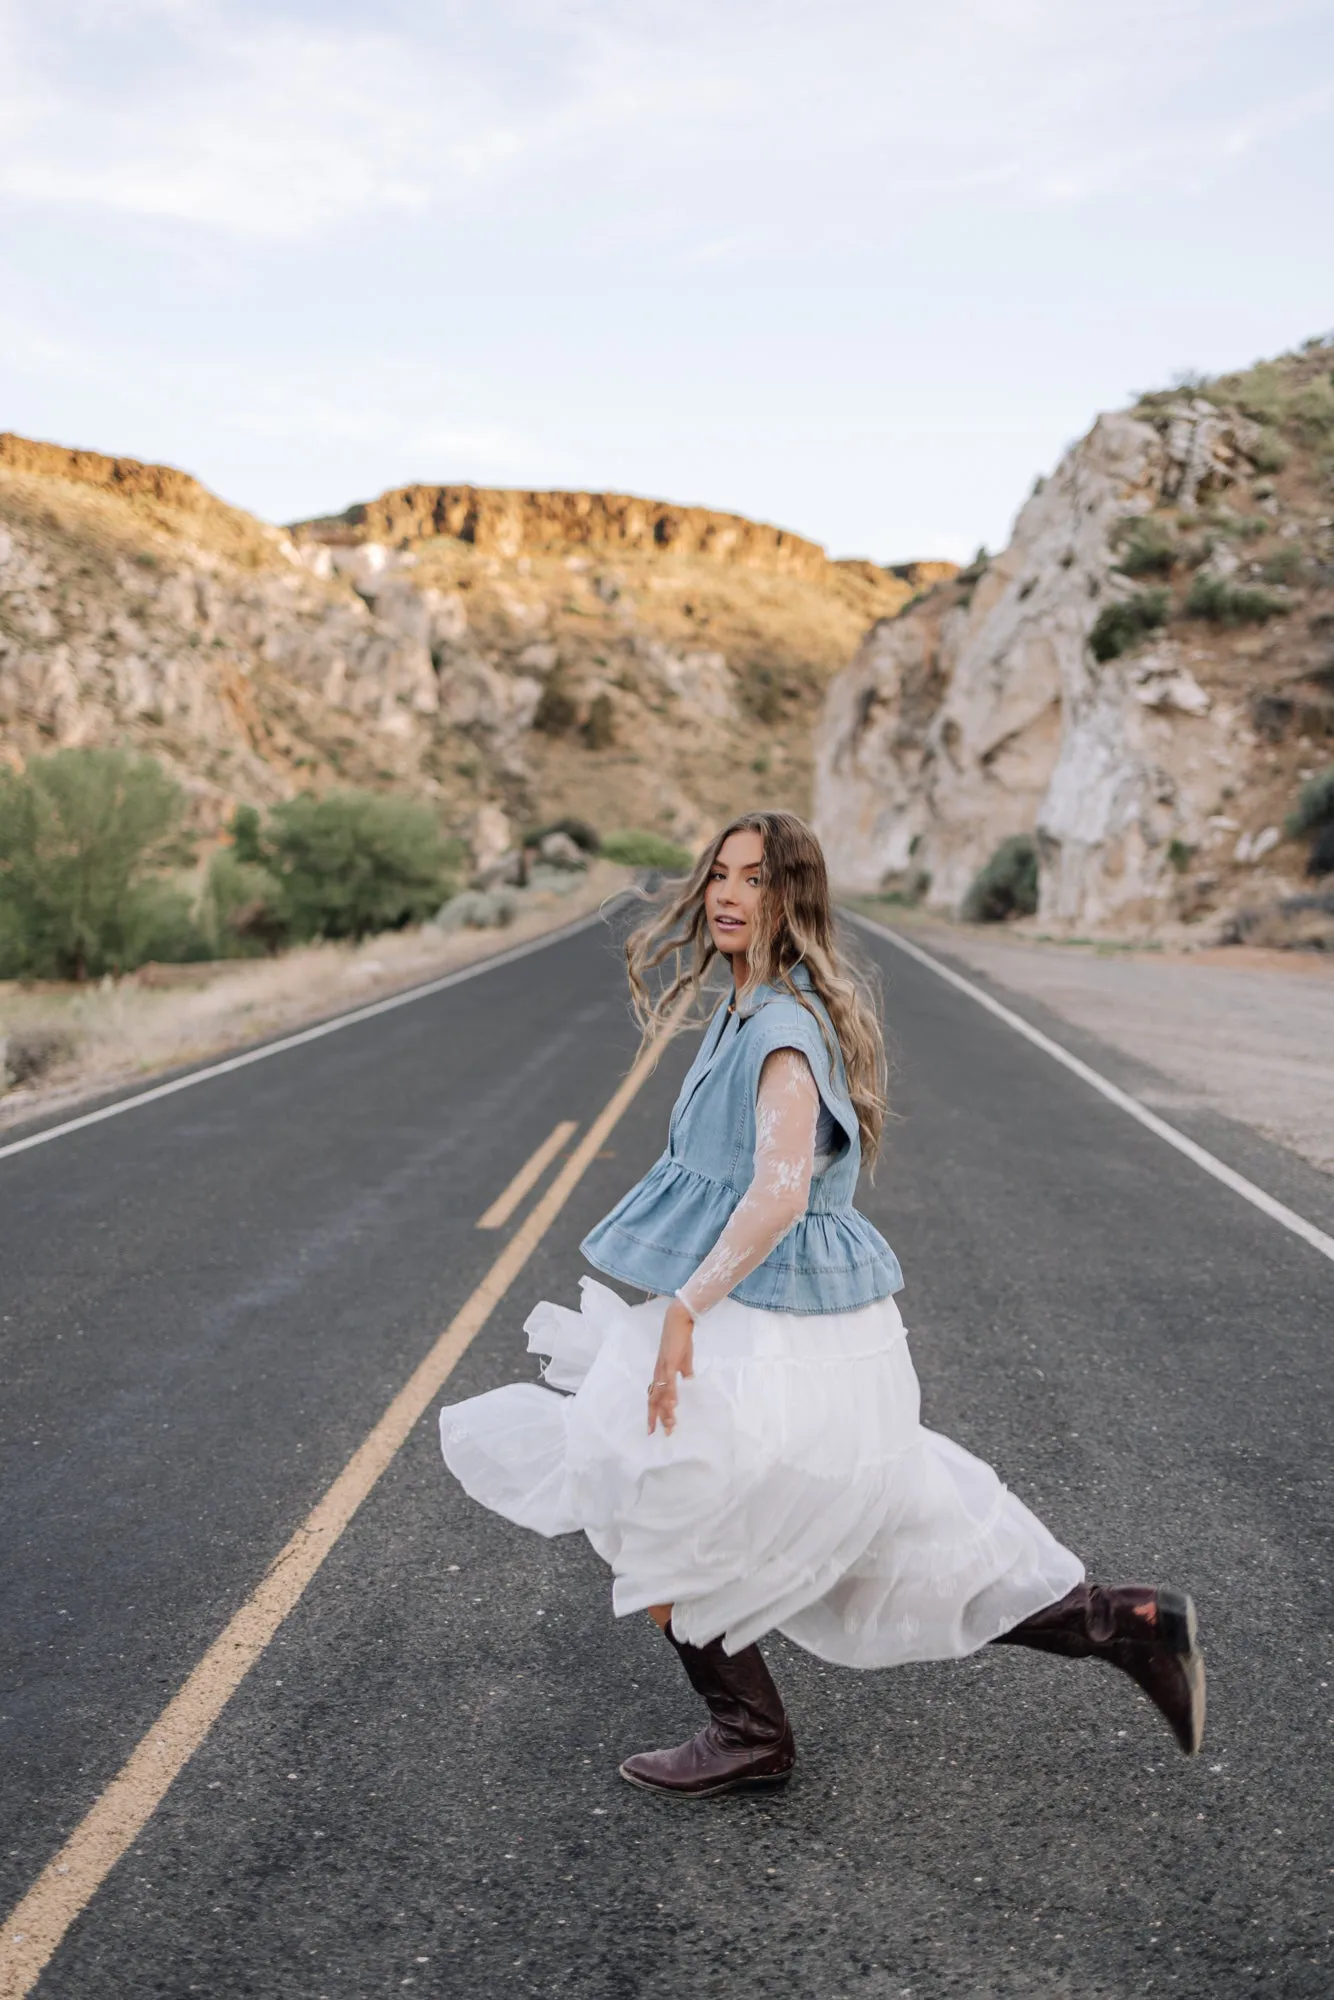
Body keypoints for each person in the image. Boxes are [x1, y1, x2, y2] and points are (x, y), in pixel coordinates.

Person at [439, 810, 1205, 1798]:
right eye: (718, 872)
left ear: (790, 897)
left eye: (753, 878)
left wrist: (680, 1310)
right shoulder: (747, 1007)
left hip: (775, 1323)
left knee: (661, 1492)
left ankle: (750, 1729)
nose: (724, 892)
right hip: (776, 1316)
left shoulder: (782, 1030)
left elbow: (778, 1189)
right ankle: (1128, 1624)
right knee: (862, 1520)